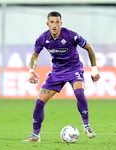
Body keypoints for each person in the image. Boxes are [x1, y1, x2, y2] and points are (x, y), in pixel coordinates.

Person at [22, 11, 100, 142]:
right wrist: (31, 70)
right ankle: (36, 136)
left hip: (74, 69)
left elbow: (89, 47)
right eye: (52, 22)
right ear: (47, 24)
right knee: (39, 103)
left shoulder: (70, 36)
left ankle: (87, 126)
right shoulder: (43, 38)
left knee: (79, 93)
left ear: (60, 23)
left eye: (57, 22)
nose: (54, 25)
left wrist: (94, 70)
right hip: (57, 72)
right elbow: (35, 56)